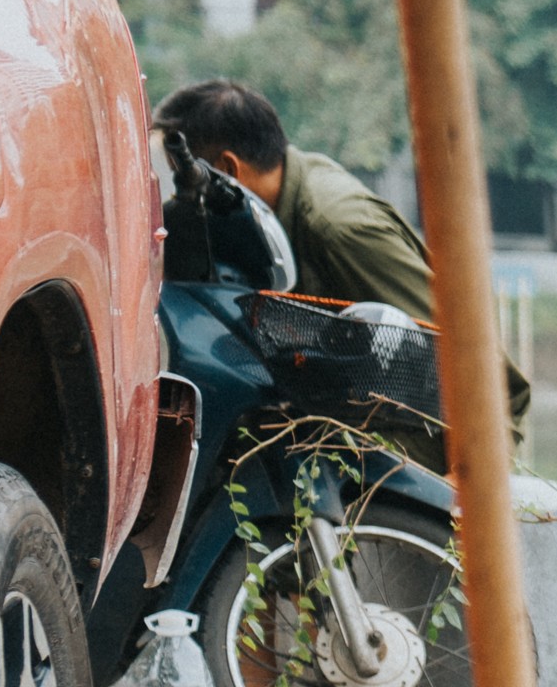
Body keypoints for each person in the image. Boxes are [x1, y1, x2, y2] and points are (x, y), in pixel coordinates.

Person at [151, 79, 532, 445]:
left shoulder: (337, 227)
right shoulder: (268, 209)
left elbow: (481, 369)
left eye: (182, 183)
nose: (177, 202)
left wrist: (470, 487)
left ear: (228, 170)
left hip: (417, 448)